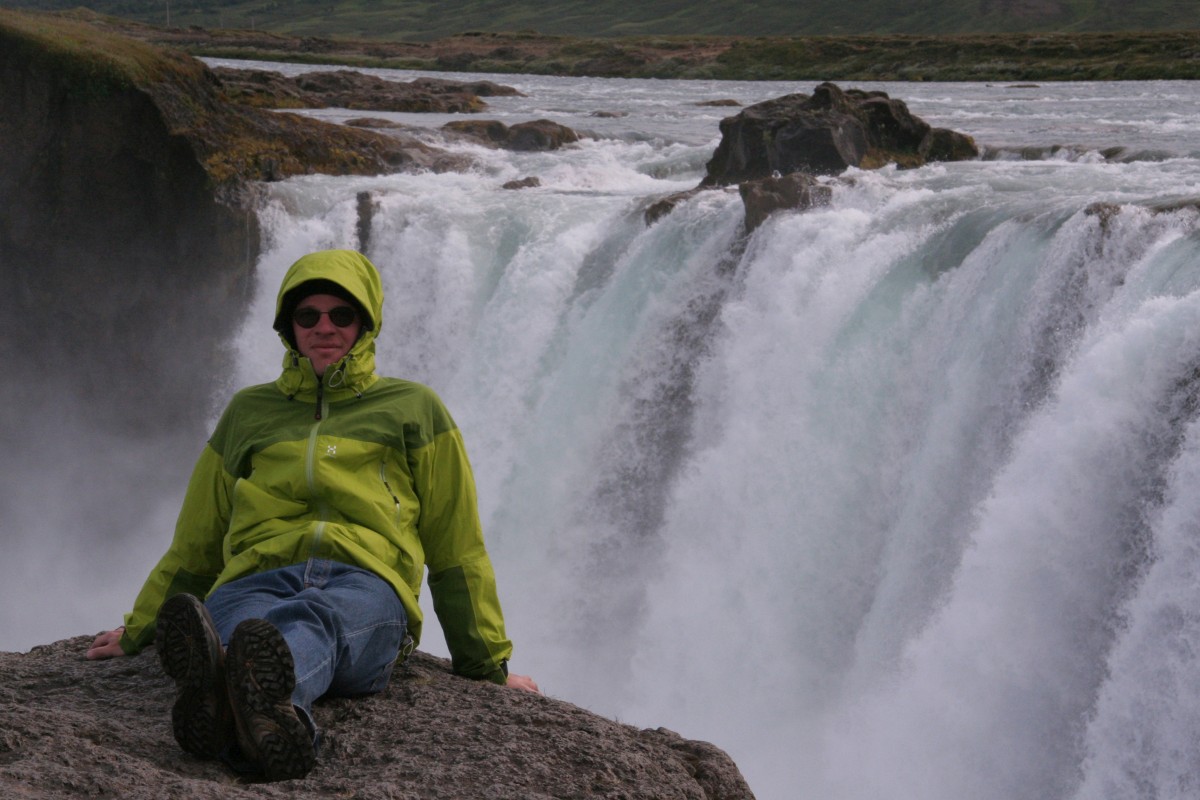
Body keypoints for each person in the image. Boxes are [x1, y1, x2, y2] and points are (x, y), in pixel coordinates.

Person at [87, 249, 538, 781]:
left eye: (341, 315)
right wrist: (140, 628)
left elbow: (455, 545)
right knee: (241, 620)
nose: (325, 328)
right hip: (256, 575)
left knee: (315, 619)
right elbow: (197, 541)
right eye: (308, 316)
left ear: (365, 324)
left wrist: (485, 667)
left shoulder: (415, 408)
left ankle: (240, 699)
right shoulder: (248, 412)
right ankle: (257, 711)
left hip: (368, 585)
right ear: (288, 326)